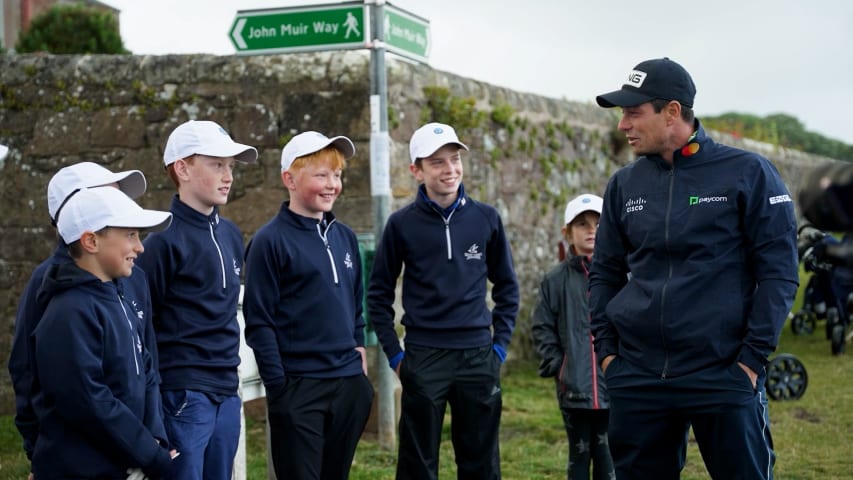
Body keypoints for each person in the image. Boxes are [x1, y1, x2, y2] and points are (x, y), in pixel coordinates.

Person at [589, 57, 798, 480]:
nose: (622, 124)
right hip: (638, 376)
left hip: (723, 372)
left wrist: (751, 361)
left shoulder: (749, 173)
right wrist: (609, 354)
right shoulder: (624, 184)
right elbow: (605, 272)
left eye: (633, 112)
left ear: (671, 112)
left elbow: (779, 272)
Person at [367, 122, 520, 480]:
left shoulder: (486, 218)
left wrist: (498, 348)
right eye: (437, 162)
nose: (449, 169)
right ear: (416, 171)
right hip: (424, 356)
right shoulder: (401, 225)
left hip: (478, 357)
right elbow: (378, 295)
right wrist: (396, 356)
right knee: (417, 467)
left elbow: (508, 288)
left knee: (481, 464)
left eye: (454, 160)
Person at [8, 161, 153, 478]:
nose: (120, 204)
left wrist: (151, 442)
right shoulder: (49, 285)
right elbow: (26, 369)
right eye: (109, 195)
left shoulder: (134, 277)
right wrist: (38, 448)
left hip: (132, 452)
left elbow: (147, 358)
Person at [243, 131, 374, 479]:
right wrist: (280, 390)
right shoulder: (269, 242)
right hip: (299, 388)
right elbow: (259, 322)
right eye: (321, 175)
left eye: (338, 175)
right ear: (289, 179)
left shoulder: (345, 237)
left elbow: (354, 302)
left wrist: (358, 348)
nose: (332, 184)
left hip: (348, 384)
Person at [136, 119, 257, 480]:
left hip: (227, 389)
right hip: (183, 395)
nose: (228, 176)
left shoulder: (232, 234)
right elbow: (142, 325)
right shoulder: (161, 241)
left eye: (231, 166)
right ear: (182, 168)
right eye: (216, 164)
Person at [31, 186, 175, 479]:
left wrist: (154, 439)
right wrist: (147, 452)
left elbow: (145, 367)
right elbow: (89, 401)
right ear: (91, 241)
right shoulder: (69, 312)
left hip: (125, 461)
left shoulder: (117, 295)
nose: (140, 247)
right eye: (130, 235)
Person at [532, 193, 614, 480]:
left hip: (613, 386)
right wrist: (559, 365)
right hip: (573, 388)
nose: (591, 230)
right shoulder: (555, 281)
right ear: (567, 232)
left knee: (608, 456)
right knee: (579, 455)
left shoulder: (621, 275)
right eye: (582, 224)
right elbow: (542, 326)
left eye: (598, 223)